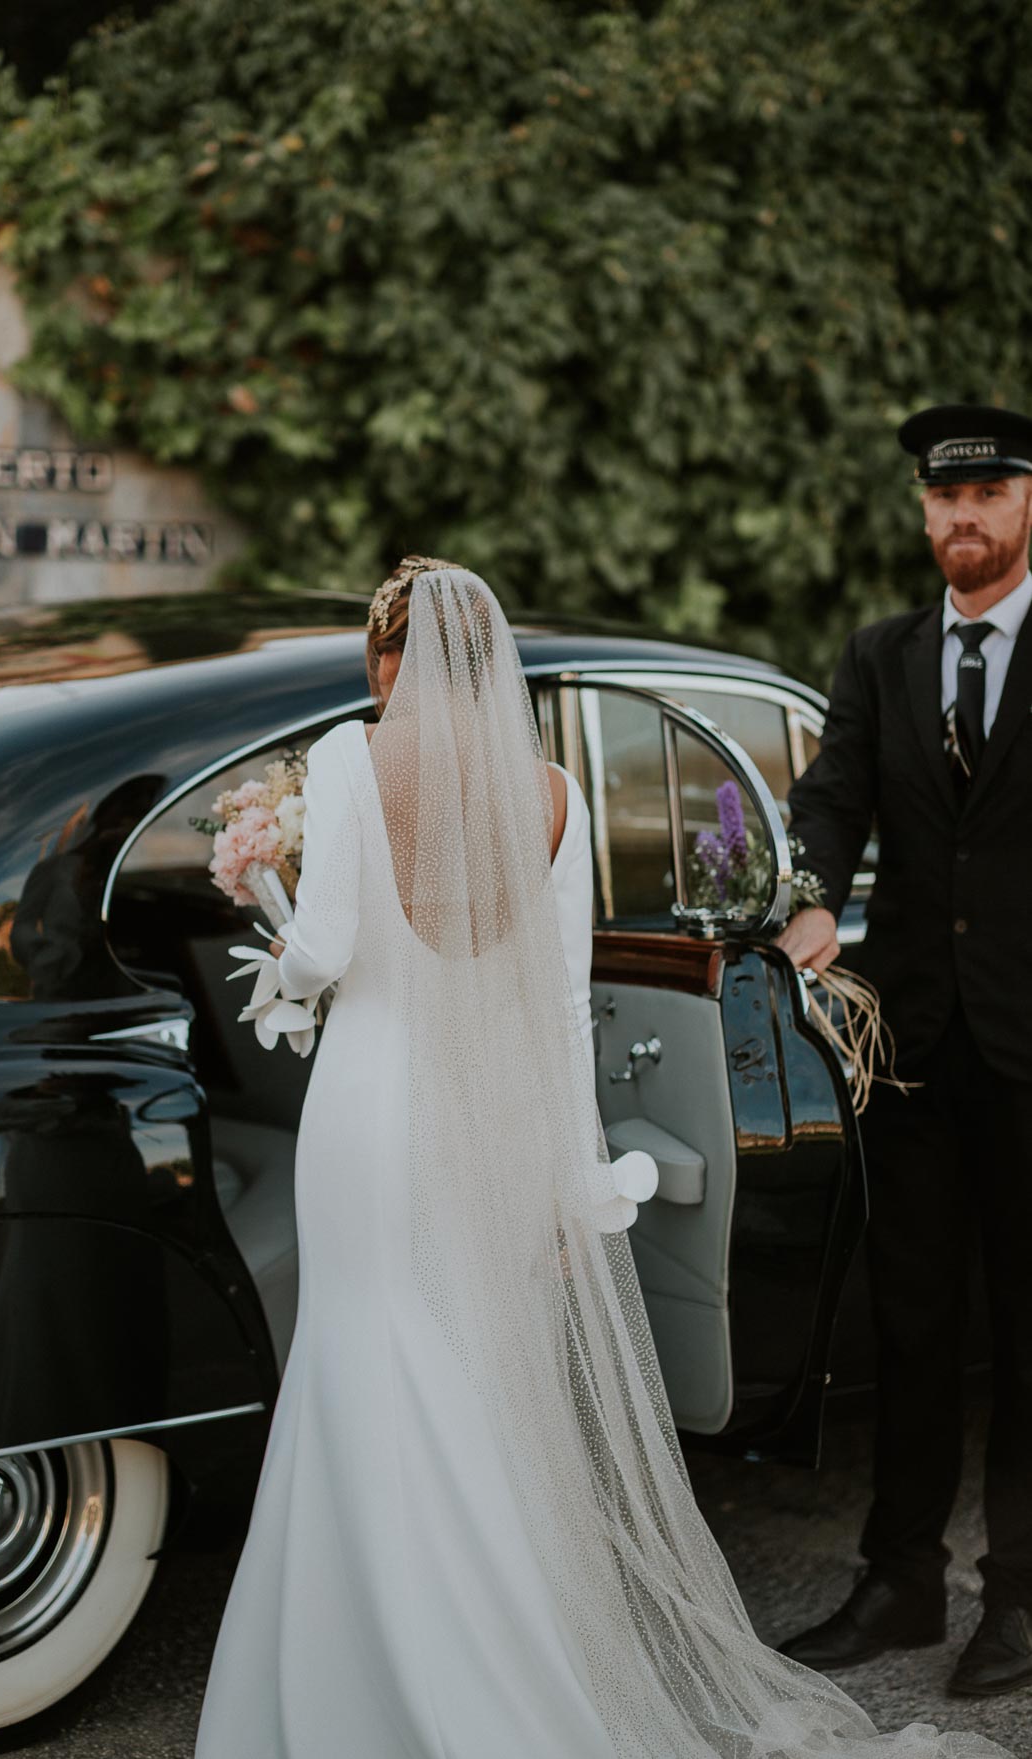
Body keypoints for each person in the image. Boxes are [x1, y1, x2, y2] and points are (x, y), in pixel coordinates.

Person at [195, 557, 1011, 1757]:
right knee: (474, 1387)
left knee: (359, 1364)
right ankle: (502, 1661)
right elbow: (565, 1007)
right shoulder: (557, 795)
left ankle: (354, 1678)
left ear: (388, 662)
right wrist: (570, 1174)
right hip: (487, 1134)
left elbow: (318, 960)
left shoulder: (350, 762)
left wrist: (266, 895)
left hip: (370, 1118)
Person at [776, 404, 1032, 1698]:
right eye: (941, 501)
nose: (959, 522)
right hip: (915, 1046)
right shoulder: (881, 654)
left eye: (983, 496)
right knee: (913, 1322)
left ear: (1028, 503)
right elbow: (828, 793)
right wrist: (810, 888)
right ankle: (900, 1579)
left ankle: (1023, 1600)